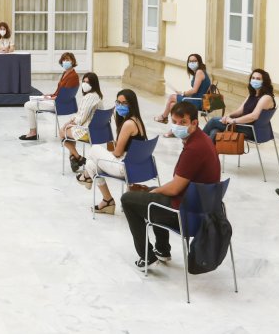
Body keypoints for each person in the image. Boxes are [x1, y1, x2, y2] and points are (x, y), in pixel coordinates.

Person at [122, 102, 220, 268]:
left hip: (188, 216)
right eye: (174, 121)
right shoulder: (202, 139)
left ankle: (147, 256)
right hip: (202, 207)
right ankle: (162, 249)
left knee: (128, 199)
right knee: (154, 192)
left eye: (182, 122)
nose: (177, 126)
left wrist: (152, 193)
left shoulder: (194, 149)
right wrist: (154, 191)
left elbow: (175, 188)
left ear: (194, 123)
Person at [77, 88, 146, 214]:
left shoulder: (128, 124)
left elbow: (118, 153)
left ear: (132, 104)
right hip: (133, 166)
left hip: (124, 167)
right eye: (118, 102)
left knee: (94, 149)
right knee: (91, 164)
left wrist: (107, 155)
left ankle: (86, 177)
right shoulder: (136, 120)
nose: (120, 106)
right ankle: (107, 201)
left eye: (124, 103)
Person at [18, 52, 80, 141]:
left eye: (68, 60)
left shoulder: (73, 76)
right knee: (32, 102)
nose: (65, 62)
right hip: (57, 101)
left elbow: (65, 96)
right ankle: (33, 132)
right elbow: (60, 92)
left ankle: (33, 133)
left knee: (28, 105)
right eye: (64, 60)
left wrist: (51, 98)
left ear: (73, 61)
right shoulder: (66, 73)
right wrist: (50, 95)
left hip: (59, 105)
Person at [201, 68, 275, 140]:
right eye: (253, 78)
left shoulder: (266, 98)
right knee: (215, 131)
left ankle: (197, 142)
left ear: (264, 82)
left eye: (258, 79)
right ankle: (207, 151)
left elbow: (253, 116)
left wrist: (233, 121)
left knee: (213, 121)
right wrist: (228, 116)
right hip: (244, 125)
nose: (254, 80)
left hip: (253, 130)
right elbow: (240, 111)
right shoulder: (252, 94)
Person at [59, 72, 103, 172]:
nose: (84, 84)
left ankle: (78, 157)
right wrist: (71, 121)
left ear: (93, 84)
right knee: (68, 130)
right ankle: (73, 157)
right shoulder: (98, 96)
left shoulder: (90, 97)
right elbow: (81, 114)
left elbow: (81, 118)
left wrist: (69, 124)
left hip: (87, 132)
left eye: (87, 82)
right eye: (83, 81)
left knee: (62, 132)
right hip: (96, 131)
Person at [154, 53, 210, 125]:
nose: (192, 63)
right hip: (195, 99)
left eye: (194, 61)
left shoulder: (199, 72)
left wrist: (183, 93)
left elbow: (194, 90)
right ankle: (175, 128)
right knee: (172, 105)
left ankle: (163, 117)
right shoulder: (198, 72)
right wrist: (182, 93)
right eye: (190, 61)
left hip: (199, 101)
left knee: (171, 97)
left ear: (199, 62)